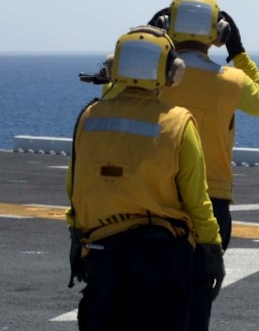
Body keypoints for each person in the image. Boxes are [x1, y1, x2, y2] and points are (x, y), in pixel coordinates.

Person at [66, 25, 225, 331]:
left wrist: (76, 237)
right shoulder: (178, 123)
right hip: (161, 260)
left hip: (103, 256)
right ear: (171, 72)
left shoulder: (90, 118)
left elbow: (77, 187)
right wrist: (212, 249)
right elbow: (197, 198)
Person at [149, 0, 259, 331]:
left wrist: (149, 41)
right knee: (197, 301)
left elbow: (112, 96)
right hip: (212, 200)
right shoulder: (231, 82)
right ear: (218, 33)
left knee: (153, 302)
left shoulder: (153, 80)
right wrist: (238, 52)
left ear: (167, 27)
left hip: (155, 198)